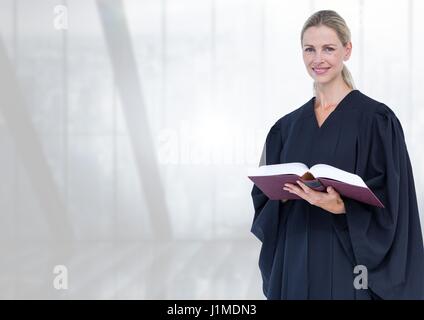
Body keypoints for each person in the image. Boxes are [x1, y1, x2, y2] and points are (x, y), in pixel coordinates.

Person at [250, 9, 424, 300]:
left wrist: (342, 206)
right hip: (296, 258)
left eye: (328, 49)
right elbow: (263, 200)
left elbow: (395, 203)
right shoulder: (285, 127)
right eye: (310, 49)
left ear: (347, 49)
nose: (318, 59)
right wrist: (278, 193)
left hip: (349, 266)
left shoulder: (377, 121)